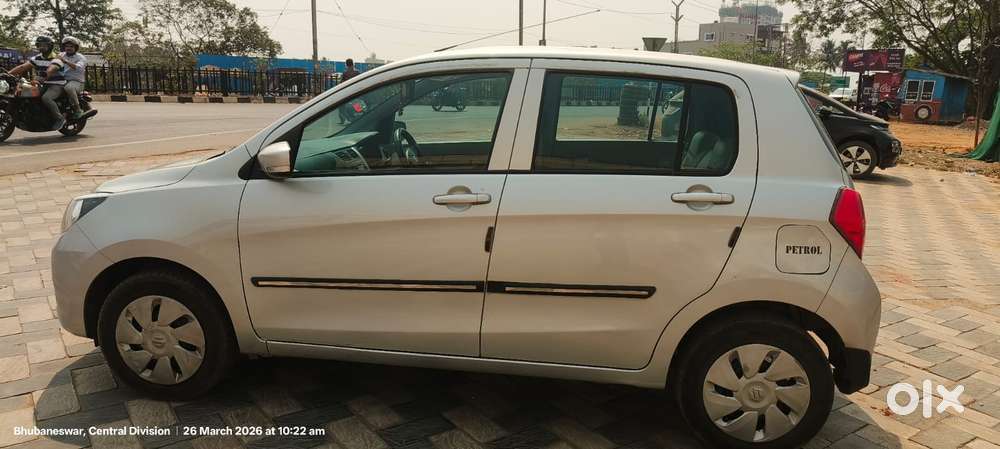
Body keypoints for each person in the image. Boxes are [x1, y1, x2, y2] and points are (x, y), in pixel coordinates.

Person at [7, 36, 66, 130]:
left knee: (46, 98)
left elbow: (51, 69)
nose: (41, 47)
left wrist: (42, 76)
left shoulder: (57, 58)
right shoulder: (37, 58)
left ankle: (60, 118)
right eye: (39, 45)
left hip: (57, 84)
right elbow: (23, 67)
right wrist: (7, 74)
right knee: (26, 93)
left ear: (50, 46)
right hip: (43, 84)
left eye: (44, 45)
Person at [50, 36, 96, 122]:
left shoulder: (80, 58)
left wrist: (65, 61)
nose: (69, 48)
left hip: (76, 82)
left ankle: (78, 110)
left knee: (69, 88)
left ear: (76, 48)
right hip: (61, 81)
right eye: (67, 46)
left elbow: (78, 67)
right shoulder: (60, 55)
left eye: (71, 46)